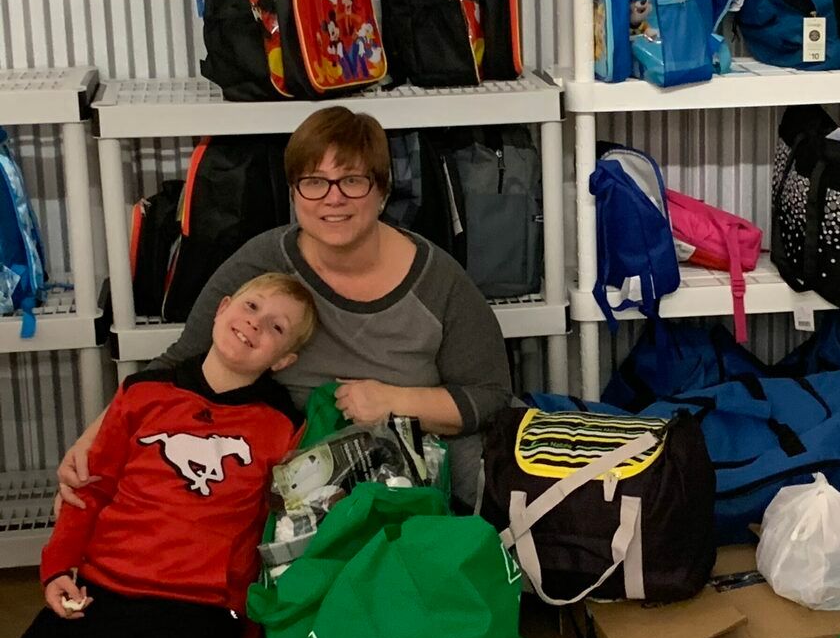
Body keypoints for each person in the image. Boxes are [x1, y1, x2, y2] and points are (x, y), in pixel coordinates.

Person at [56, 106, 512, 514]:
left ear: (382, 191)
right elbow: (178, 362)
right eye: (314, 182)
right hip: (290, 475)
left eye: (352, 181)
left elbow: (489, 394)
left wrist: (394, 402)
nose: (333, 198)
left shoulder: (437, 279)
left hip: (417, 475)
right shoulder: (261, 262)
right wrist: (95, 440)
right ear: (294, 192)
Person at [0, 272, 317, 638]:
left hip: (200, 602)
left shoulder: (282, 425)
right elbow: (91, 489)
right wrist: (58, 568)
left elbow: (263, 531)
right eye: (251, 307)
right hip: (106, 583)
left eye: (277, 327)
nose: (255, 325)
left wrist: (248, 628)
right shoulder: (144, 392)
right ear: (222, 308)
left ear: (284, 360)